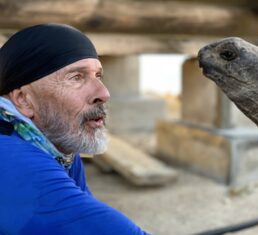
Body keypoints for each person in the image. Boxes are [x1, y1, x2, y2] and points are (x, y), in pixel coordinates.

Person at [0, 23, 149, 234]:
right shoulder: (10, 158)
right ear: (23, 100)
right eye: (76, 77)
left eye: (98, 76)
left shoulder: (59, 144)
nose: (103, 93)